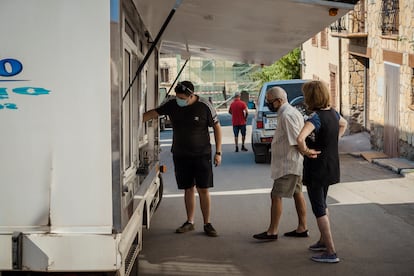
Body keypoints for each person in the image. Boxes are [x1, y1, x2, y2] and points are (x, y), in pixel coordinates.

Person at [143, 81, 222, 237]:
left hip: (202, 154)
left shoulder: (204, 105)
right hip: (181, 154)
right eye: (177, 97)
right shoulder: (172, 104)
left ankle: (207, 223)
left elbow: (217, 127)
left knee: (203, 189)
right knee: (188, 188)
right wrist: (132, 121)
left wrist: (218, 152)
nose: (179, 100)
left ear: (191, 95)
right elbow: (153, 113)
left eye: (182, 98)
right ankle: (189, 222)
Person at [296, 80, 347, 263]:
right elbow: (344, 124)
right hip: (331, 165)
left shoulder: (315, 118)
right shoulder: (333, 113)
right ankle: (323, 241)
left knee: (319, 208)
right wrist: (333, 140)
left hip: (317, 168)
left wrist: (306, 151)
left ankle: (331, 252)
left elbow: (300, 138)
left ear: (311, 97)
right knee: (323, 204)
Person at [253, 87, 308, 241]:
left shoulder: (287, 115)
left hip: (288, 164)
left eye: (270, 102)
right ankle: (302, 227)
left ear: (279, 100)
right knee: (297, 194)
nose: (269, 104)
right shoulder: (289, 112)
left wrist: (306, 151)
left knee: (276, 195)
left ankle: (272, 231)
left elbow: (297, 139)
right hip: (291, 162)